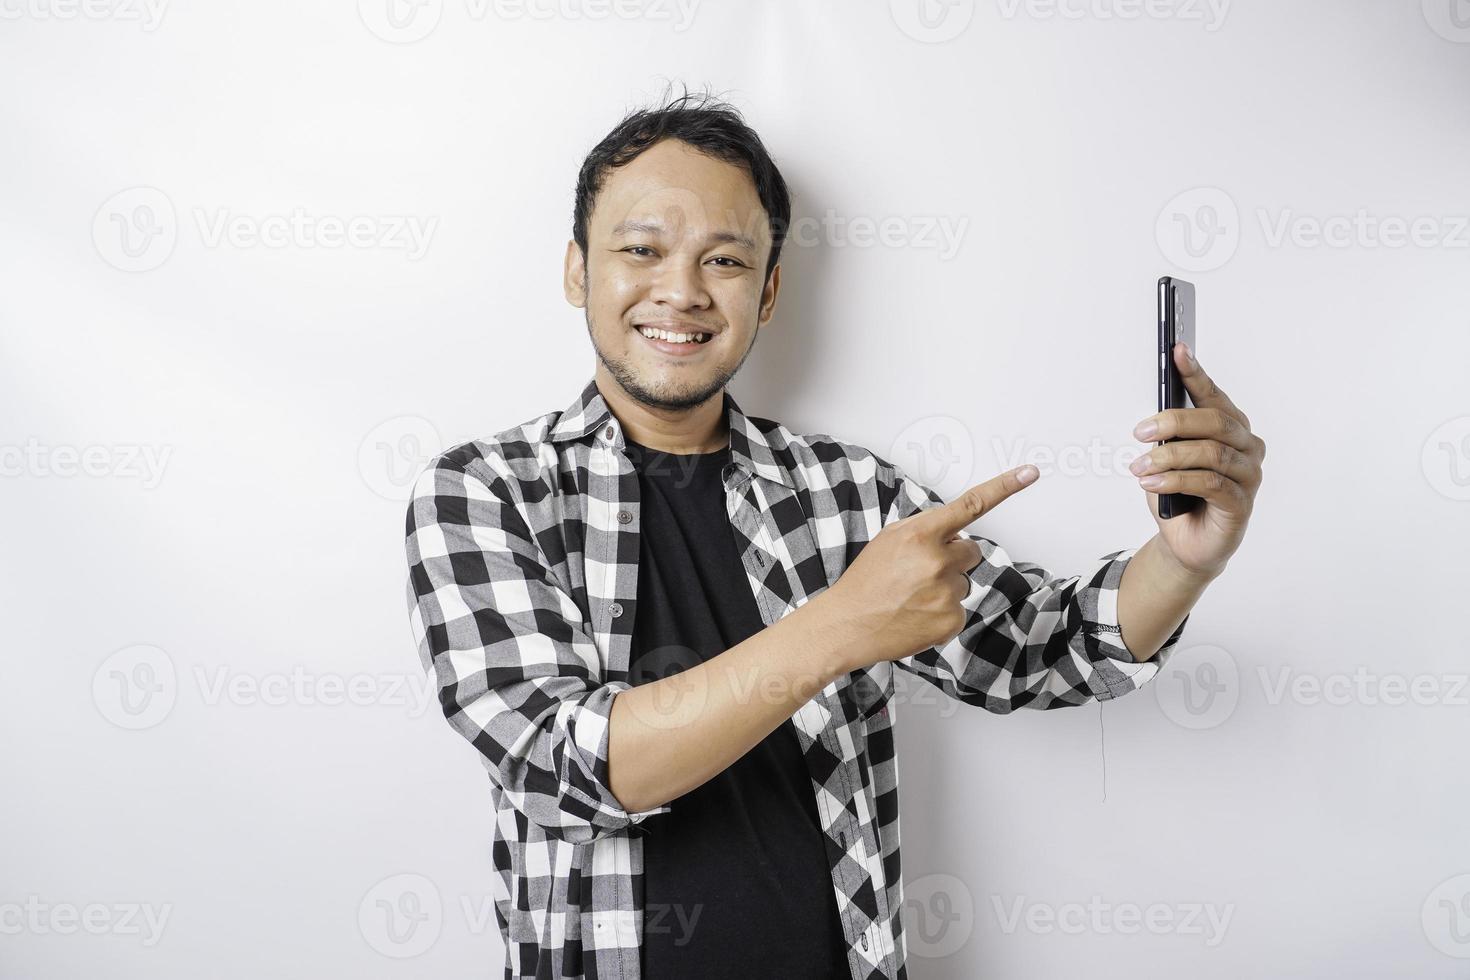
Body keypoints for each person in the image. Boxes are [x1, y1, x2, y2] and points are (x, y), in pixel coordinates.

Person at [402, 85, 1266, 980]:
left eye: (726, 262)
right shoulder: (486, 492)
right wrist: (842, 626)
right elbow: (568, 767)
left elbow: (1044, 650)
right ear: (580, 270)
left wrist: (1183, 560)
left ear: (769, 291)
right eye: (641, 250)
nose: (682, 292)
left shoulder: (845, 491)